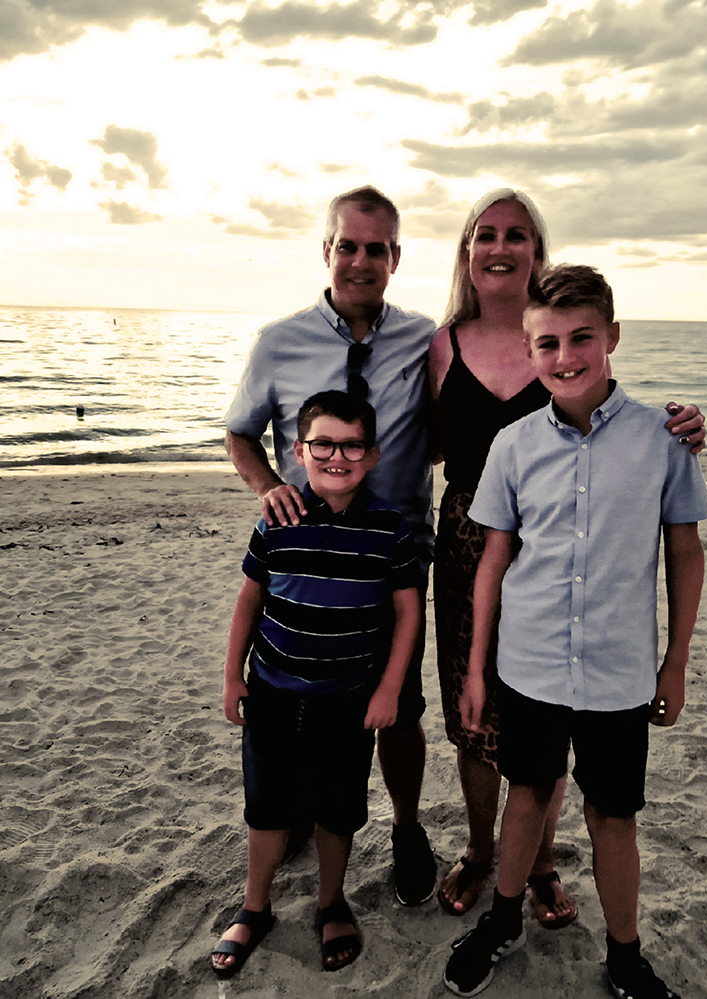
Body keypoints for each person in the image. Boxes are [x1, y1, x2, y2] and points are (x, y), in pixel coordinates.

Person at [428, 191, 707, 924]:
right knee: (477, 714)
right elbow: (411, 443)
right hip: (469, 535)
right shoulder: (439, 344)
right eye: (485, 234)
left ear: (535, 251)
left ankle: (542, 866)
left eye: (516, 234)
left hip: (569, 566)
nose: (499, 245)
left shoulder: (629, 416)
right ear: (465, 251)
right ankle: (485, 855)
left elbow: (676, 531)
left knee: (547, 738)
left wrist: (682, 426)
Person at [224, 186, 438, 907]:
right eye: (347, 244)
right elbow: (239, 430)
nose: (359, 260)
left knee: (398, 709)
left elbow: (497, 397)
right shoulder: (279, 341)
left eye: (375, 248)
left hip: (395, 559)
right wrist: (265, 487)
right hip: (307, 559)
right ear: (326, 250)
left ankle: (407, 826)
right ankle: (299, 813)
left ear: (395, 258)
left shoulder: (425, 339)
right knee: (304, 702)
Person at [211, 391, 423, 976]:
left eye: (352, 445)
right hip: (273, 693)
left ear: (373, 455)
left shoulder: (391, 529)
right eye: (322, 444)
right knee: (268, 807)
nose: (338, 456)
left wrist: (388, 690)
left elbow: (407, 614)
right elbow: (250, 601)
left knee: (338, 809)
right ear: (299, 451)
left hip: (348, 700)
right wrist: (233, 676)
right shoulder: (277, 520)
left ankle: (332, 900)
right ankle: (255, 906)